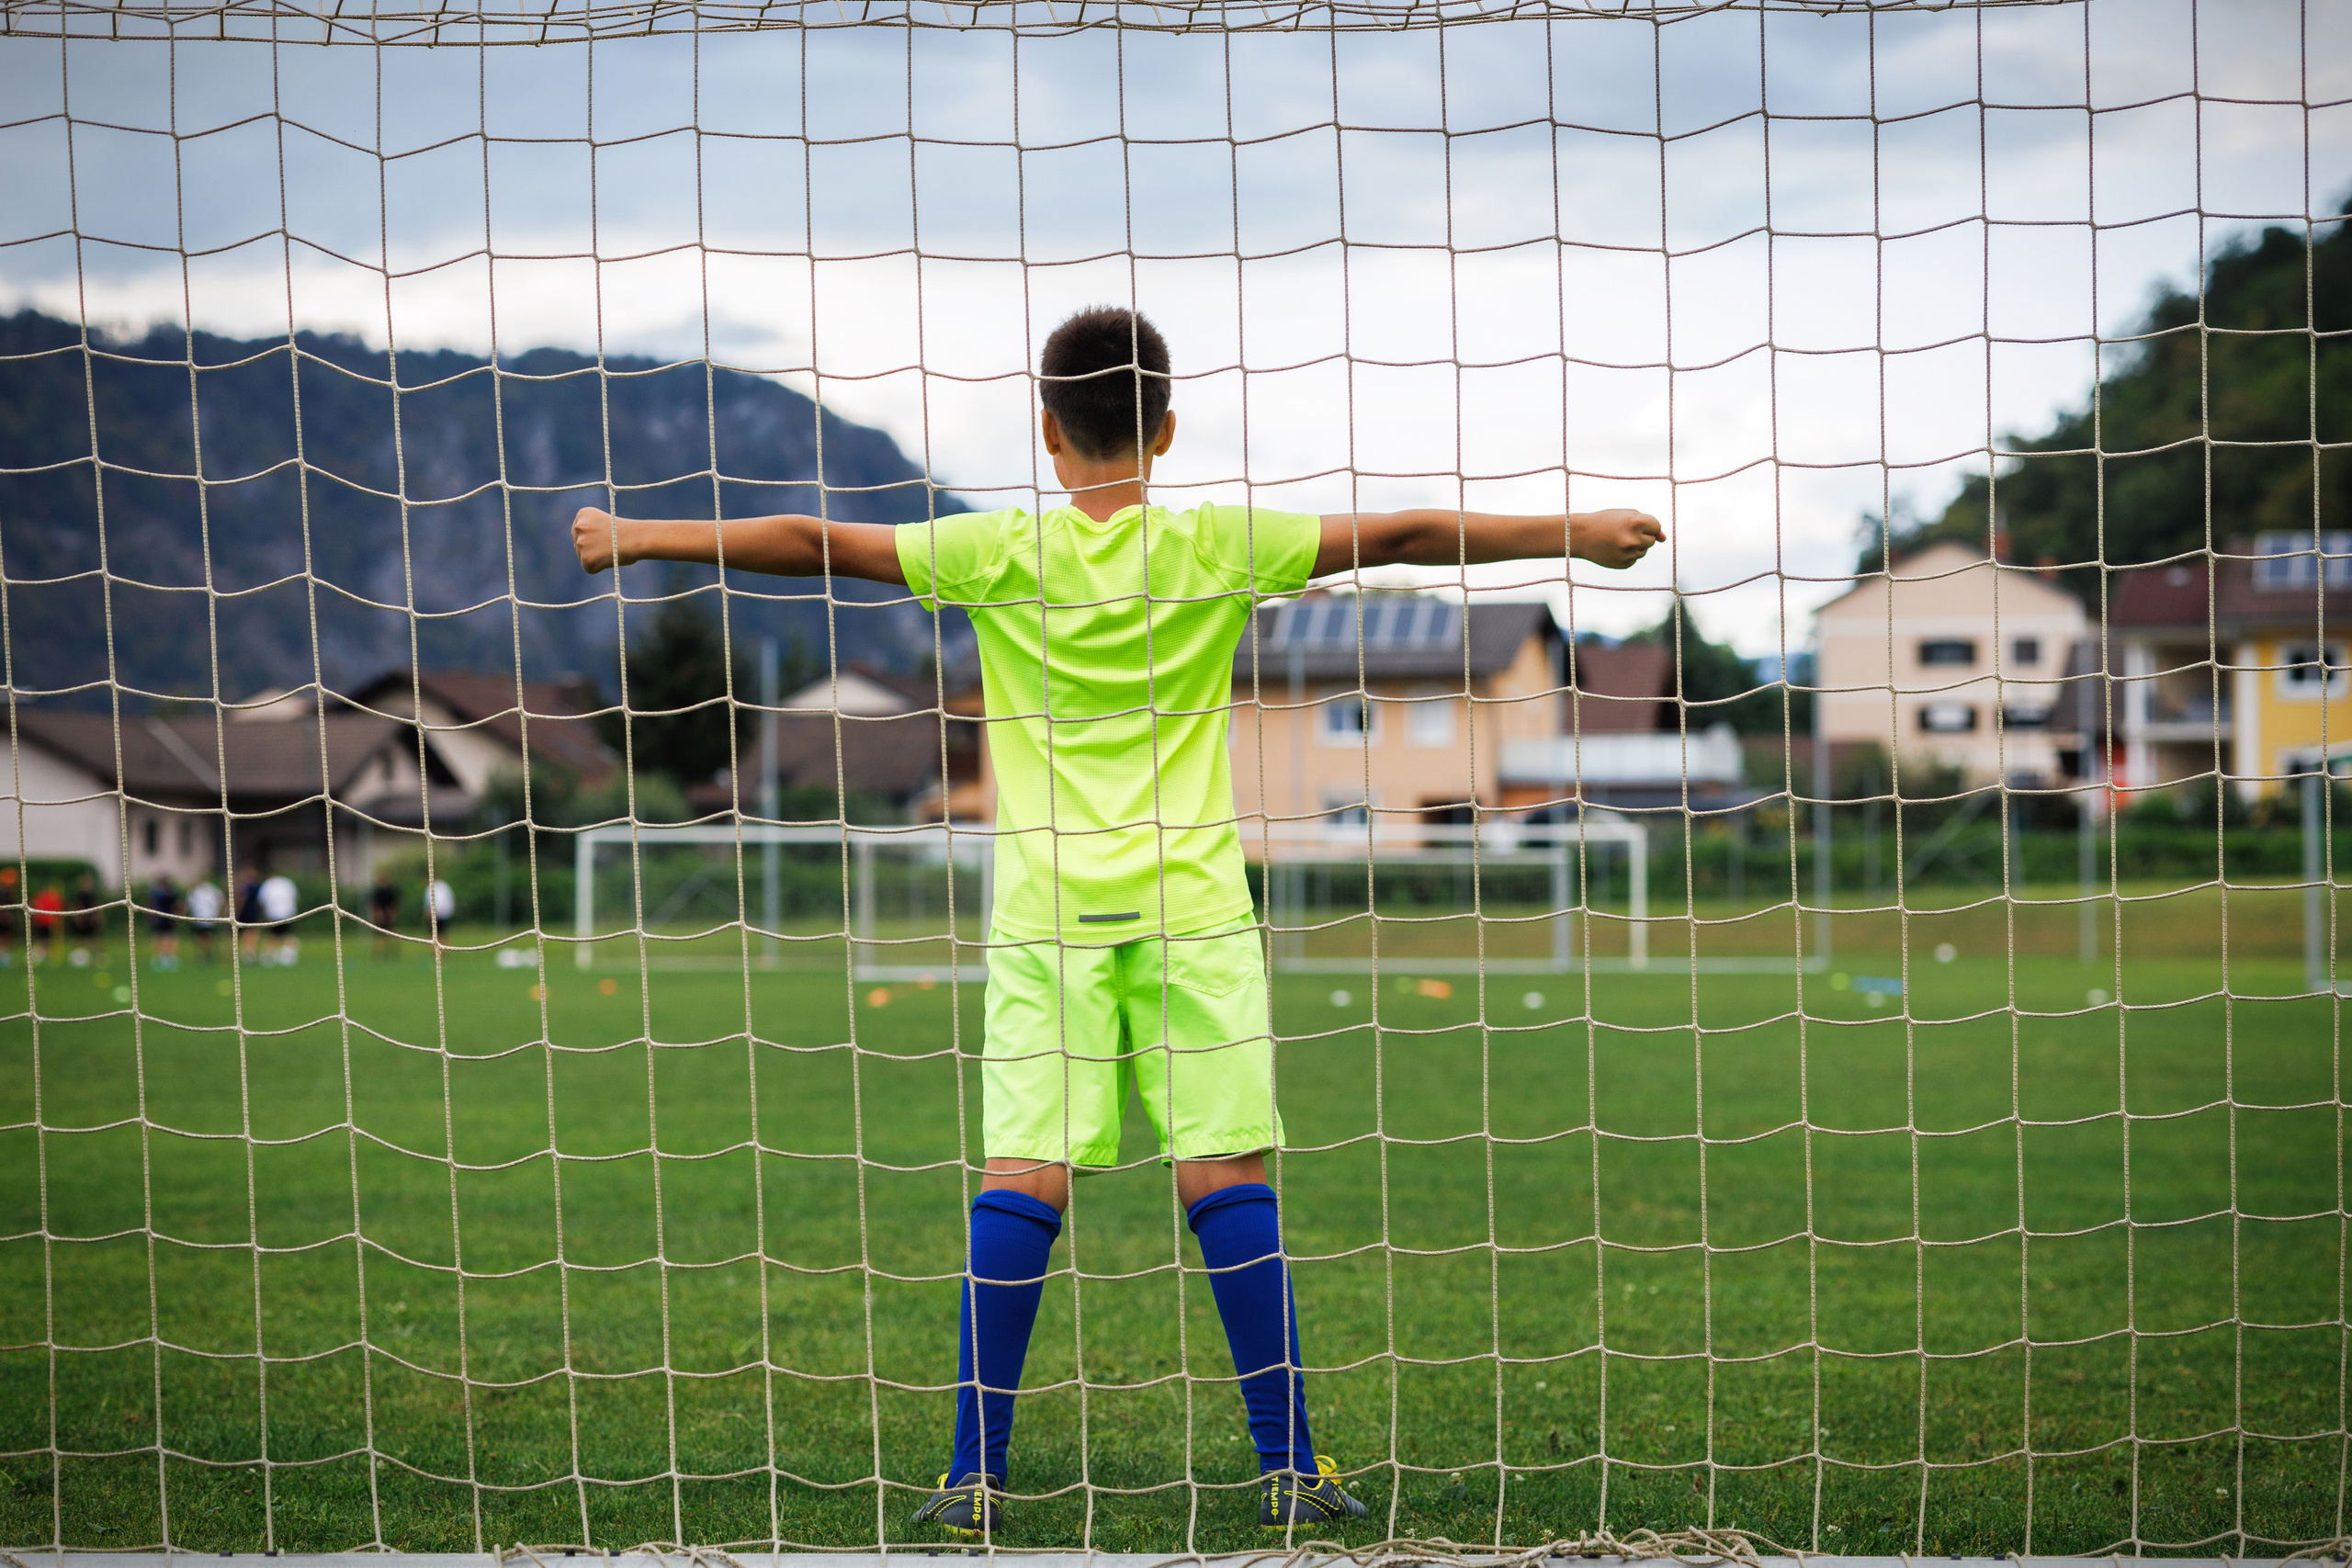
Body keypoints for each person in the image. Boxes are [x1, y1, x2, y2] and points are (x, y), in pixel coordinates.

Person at [570, 305, 1663, 1536]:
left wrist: (641, 532)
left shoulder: (995, 551)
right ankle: (1290, 1468)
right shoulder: (1215, 542)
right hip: (1193, 905)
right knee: (1223, 1166)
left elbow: (817, 539)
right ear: (1169, 426)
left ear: (1047, 431)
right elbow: (1403, 529)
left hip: (1045, 912)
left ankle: (970, 1473)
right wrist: (1580, 532)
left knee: (1025, 1169)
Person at [257, 872, 300, 966]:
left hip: (273, 913)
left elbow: (262, 900)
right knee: (287, 934)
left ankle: (270, 956)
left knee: (272, 935)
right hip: (288, 912)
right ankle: (287, 956)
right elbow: (295, 897)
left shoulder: (268, 884)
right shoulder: (288, 882)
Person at [144, 874, 182, 969]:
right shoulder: (160, 893)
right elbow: (152, 904)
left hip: (166, 918)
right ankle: (162, 957)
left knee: (167, 937)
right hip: (162, 918)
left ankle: (169, 957)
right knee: (163, 937)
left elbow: (176, 905)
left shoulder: (167, 893)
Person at [67, 872, 101, 967]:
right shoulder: (79, 895)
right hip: (82, 919)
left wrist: (97, 917)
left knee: (94, 938)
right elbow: (75, 906)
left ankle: (97, 957)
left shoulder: (93, 895)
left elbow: (97, 906)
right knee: (78, 939)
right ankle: (77, 956)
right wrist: (78, 918)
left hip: (91, 920)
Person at [186, 877, 223, 964]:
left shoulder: (211, 889)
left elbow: (220, 900)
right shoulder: (195, 891)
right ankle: (204, 952)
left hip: (209, 917)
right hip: (199, 917)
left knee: (208, 935)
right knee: (201, 936)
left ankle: (207, 952)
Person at [369, 869, 401, 960]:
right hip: (381, 914)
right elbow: (375, 904)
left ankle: (393, 951)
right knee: (379, 934)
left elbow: (394, 903)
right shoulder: (377, 891)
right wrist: (378, 913)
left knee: (392, 932)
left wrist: (392, 913)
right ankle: (378, 954)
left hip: (388, 913)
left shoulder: (391, 890)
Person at [234, 866, 263, 964]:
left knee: (249, 932)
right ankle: (249, 952)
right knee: (251, 932)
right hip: (252, 911)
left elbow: (241, 900)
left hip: (247, 911)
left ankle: (249, 953)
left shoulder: (245, 887)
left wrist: (237, 912)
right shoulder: (257, 886)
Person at [30, 882, 62, 965]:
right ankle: (42, 955)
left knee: (49, 939)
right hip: (42, 922)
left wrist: (56, 920)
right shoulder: (40, 897)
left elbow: (56, 908)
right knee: (43, 939)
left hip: (49, 922)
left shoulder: (52, 898)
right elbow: (35, 907)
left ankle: (48, 956)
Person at [428, 876, 455, 950]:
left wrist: (428, 915)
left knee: (435, 935)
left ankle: (437, 952)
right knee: (441, 934)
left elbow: (430, 903)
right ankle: (443, 951)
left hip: (437, 914)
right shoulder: (444, 886)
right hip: (445, 914)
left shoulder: (431, 887)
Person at [0, 866, 17, 967]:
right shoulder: (2, 891)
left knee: (9, 936)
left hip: (8, 917)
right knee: (2, 936)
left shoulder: (10, 891)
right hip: (3, 916)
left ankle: (6, 956)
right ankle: (2, 956)